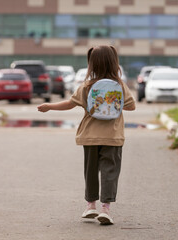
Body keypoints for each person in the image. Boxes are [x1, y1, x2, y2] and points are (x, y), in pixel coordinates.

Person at [37, 45, 136, 225]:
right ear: (114, 63)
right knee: (110, 171)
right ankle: (105, 208)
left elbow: (70, 103)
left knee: (90, 170)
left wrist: (49, 106)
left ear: (92, 64)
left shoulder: (87, 86)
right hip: (113, 137)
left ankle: (91, 205)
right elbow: (131, 106)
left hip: (89, 136)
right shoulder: (120, 85)